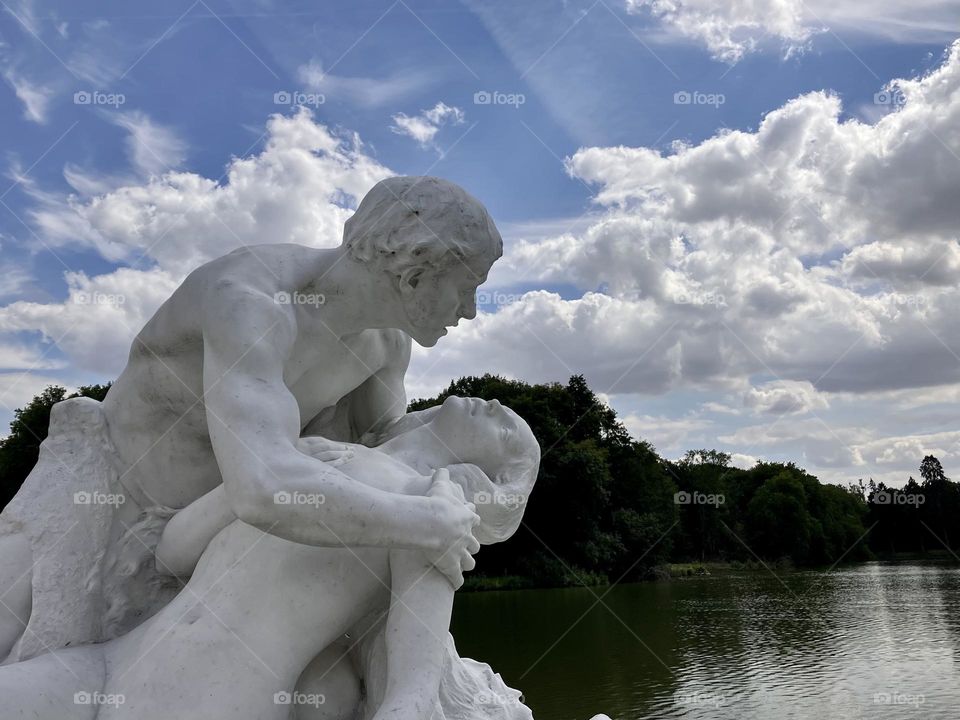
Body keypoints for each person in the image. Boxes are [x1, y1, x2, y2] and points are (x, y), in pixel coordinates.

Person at [0, 176, 502, 662]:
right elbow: (264, 485)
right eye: (468, 287)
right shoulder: (249, 299)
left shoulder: (385, 345)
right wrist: (426, 521)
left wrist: (483, 447)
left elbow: (380, 455)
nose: (472, 311)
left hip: (220, 540)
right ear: (415, 272)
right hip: (108, 509)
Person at [0, 397, 540, 720]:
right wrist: (264, 475)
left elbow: (412, 688)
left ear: (498, 476)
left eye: (507, 428)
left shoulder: (437, 511)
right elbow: (171, 553)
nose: (495, 406)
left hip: (212, 700)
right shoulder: (314, 451)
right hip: (110, 661)